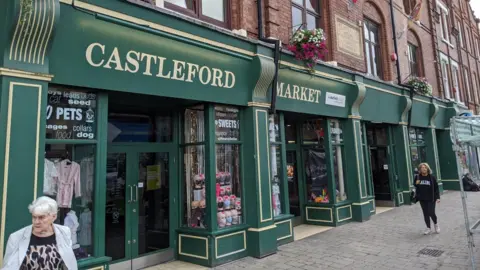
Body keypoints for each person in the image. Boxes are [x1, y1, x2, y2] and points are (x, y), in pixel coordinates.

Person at [1, 196, 78, 270]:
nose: (36, 222)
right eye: (34, 217)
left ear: (54, 217)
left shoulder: (64, 232)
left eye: (41, 217)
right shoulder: (16, 238)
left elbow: (69, 262)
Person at [414, 163, 440, 235]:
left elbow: (436, 188)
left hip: (431, 198)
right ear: (420, 169)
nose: (423, 169)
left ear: (427, 169)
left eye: (425, 167)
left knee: (431, 212)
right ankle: (428, 228)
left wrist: (438, 198)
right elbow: (416, 185)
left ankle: (436, 224)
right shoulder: (418, 177)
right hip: (422, 199)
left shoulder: (432, 178)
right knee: (425, 213)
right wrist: (417, 182)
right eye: (422, 168)